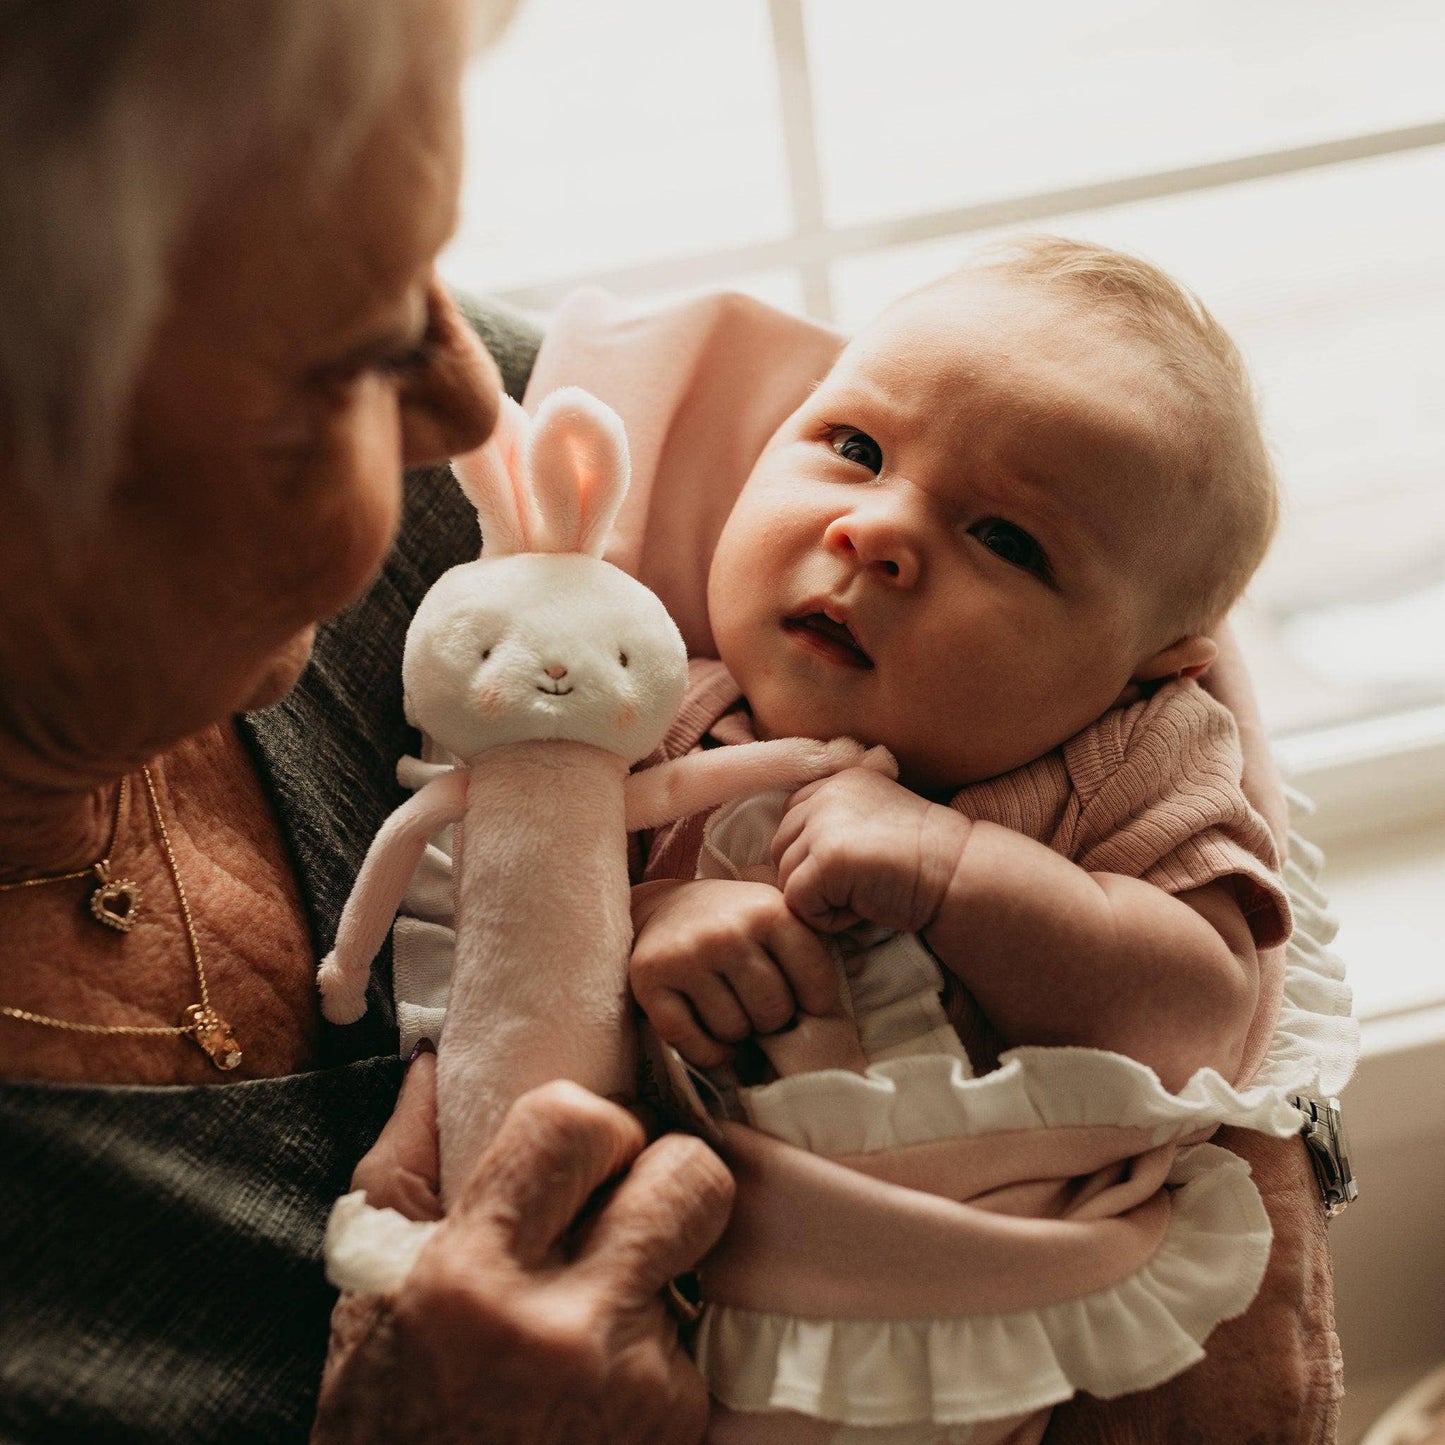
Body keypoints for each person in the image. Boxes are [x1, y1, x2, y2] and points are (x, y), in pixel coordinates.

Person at [0, 4, 1341, 1444]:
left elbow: (1144, 581)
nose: (469, 397)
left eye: (427, 272)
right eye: (348, 346)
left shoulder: (584, 470)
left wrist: (1233, 1152)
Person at [618, 242, 1340, 1438]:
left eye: (1007, 540)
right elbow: (513, 956)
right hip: (713, 1314)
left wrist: (957, 872)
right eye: (853, 448)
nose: (876, 530)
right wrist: (660, 921)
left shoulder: (1128, 760)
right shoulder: (654, 709)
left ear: (1154, 663)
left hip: (1001, 1333)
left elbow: (1199, 1016)